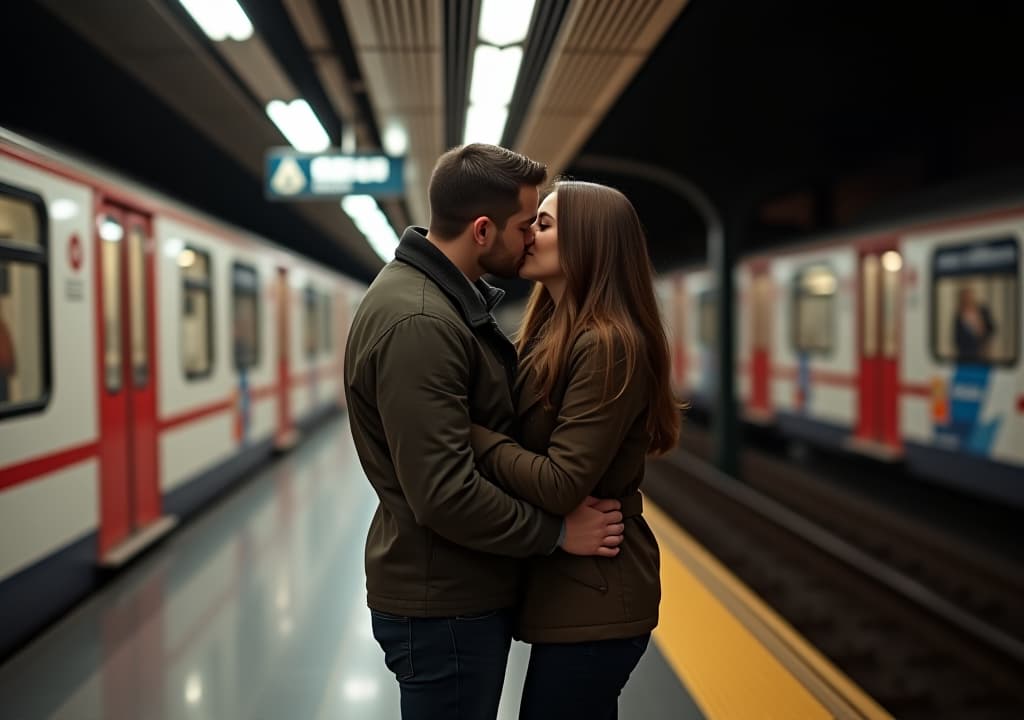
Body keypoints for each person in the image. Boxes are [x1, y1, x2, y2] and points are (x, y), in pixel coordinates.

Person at [343, 145, 626, 720]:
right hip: (444, 597)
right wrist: (554, 534)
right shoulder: (422, 321)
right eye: (527, 225)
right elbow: (445, 493)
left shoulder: (436, 304)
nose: (529, 239)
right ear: (481, 230)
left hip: (451, 587)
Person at [469, 180, 682, 719]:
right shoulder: (550, 331)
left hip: (598, 594)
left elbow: (563, 483)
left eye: (544, 224)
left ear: (588, 241)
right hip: (570, 591)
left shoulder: (607, 343)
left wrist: (471, 436)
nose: (529, 235)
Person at [954, 286, 995, 362]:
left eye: (969, 296)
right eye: (965, 297)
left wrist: (983, 329)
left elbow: (992, 328)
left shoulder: (982, 310)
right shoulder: (959, 315)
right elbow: (957, 337)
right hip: (965, 354)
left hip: (982, 351)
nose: (967, 299)